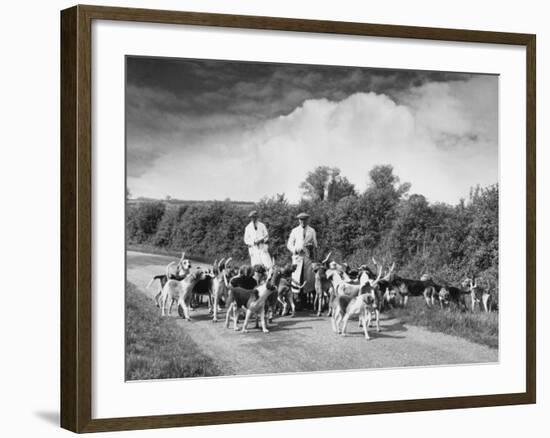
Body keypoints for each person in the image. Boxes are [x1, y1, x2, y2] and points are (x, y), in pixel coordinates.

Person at [286, 212, 318, 296]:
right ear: (299, 221)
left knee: (307, 277)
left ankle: (306, 298)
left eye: (305, 220)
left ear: (308, 220)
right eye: (301, 220)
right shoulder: (295, 231)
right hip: (298, 257)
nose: (303, 222)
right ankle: (296, 298)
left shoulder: (312, 230)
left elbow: (315, 244)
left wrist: (311, 246)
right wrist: (295, 250)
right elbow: (289, 244)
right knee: (297, 277)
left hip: (307, 257)